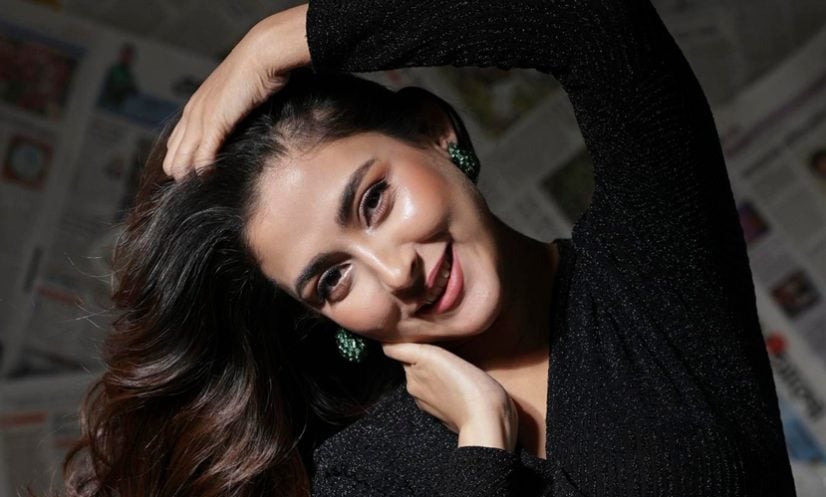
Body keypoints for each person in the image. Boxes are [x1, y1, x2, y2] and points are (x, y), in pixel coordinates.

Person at [62, 1, 797, 497]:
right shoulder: (366, 472)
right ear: (325, 318)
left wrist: (282, 38)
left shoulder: (651, 267)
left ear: (436, 132)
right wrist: (481, 450)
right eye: (332, 278)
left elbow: (590, 20)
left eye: (373, 201)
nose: (396, 270)